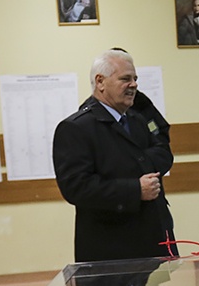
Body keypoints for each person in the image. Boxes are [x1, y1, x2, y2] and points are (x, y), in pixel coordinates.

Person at [52, 49, 174, 263]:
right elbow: (76, 188)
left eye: (135, 79)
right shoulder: (76, 128)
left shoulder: (136, 121)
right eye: (125, 79)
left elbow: (161, 151)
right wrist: (135, 190)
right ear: (100, 82)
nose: (134, 84)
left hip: (149, 241)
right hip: (110, 248)